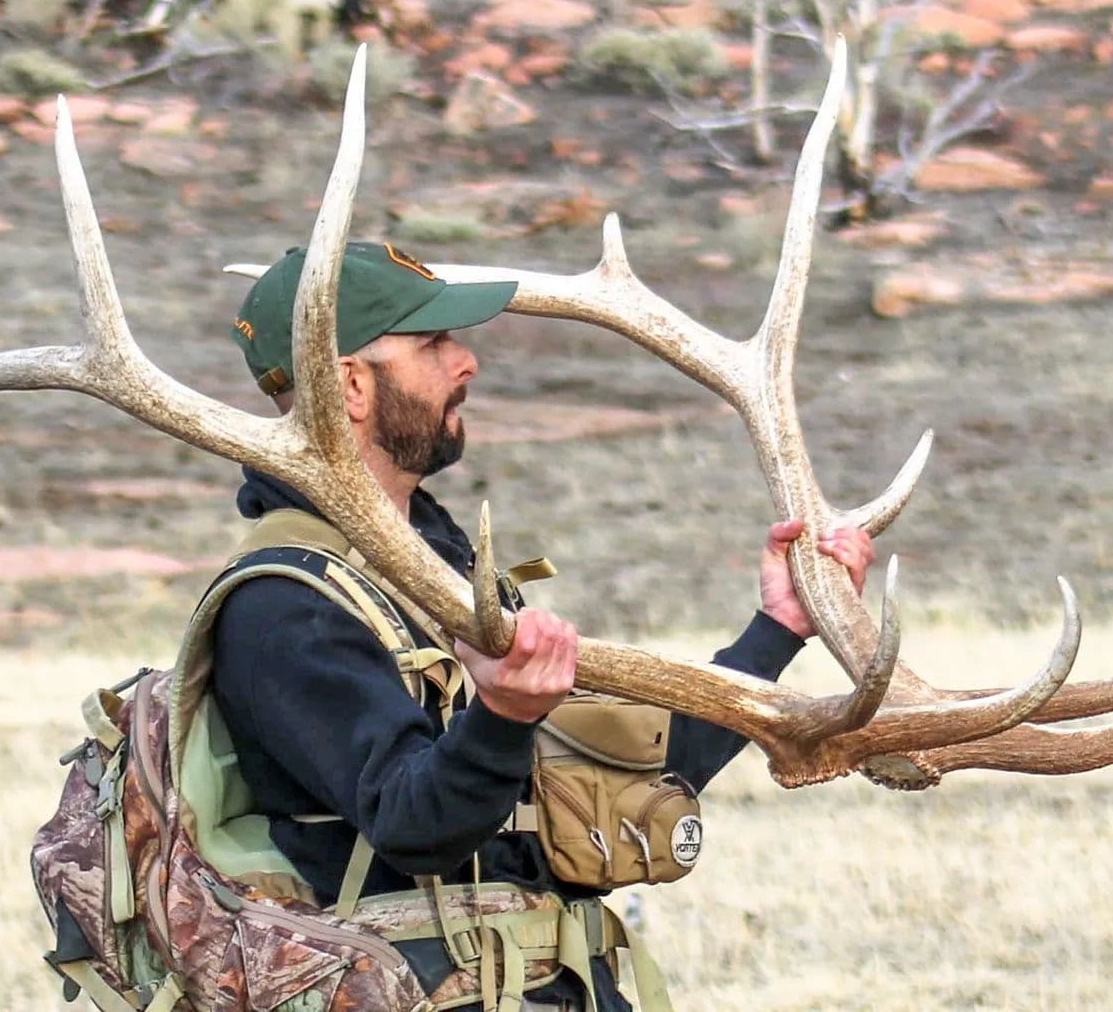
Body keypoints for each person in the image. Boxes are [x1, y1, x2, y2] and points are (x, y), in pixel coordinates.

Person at [212, 241, 873, 1010]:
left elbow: (619, 777)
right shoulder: (287, 606)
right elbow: (416, 827)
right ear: (352, 385)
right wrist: (502, 716)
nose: (466, 363)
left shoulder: (439, 565)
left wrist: (777, 628)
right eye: (433, 344)